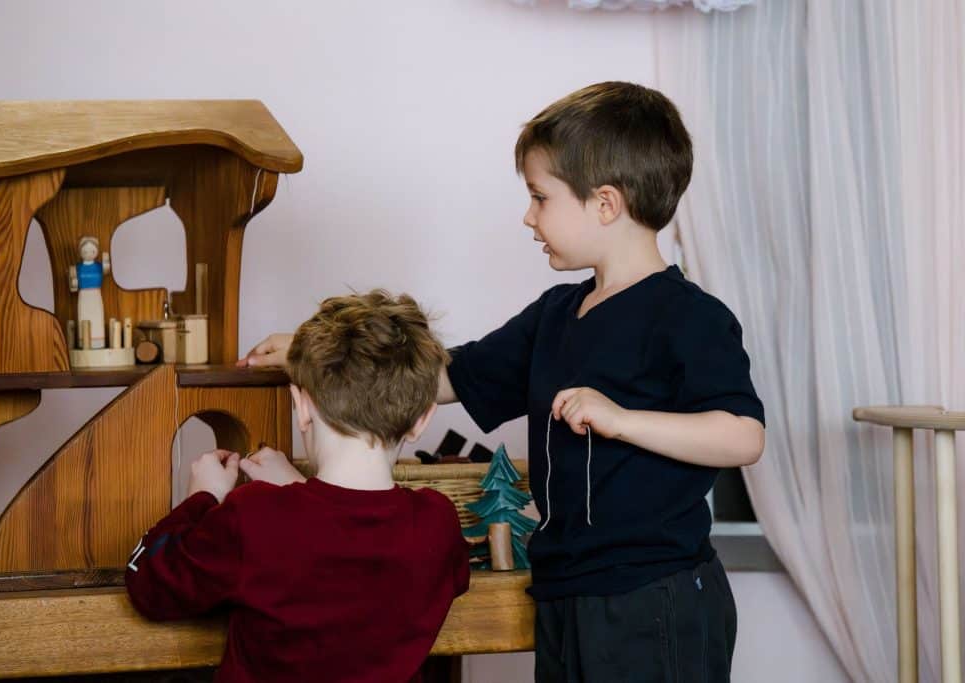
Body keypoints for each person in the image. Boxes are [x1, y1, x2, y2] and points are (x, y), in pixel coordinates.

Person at [240, 81, 766, 682]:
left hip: (656, 596)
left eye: (540, 197)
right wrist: (313, 349)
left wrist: (621, 419)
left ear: (605, 203)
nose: (527, 215)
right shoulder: (553, 316)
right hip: (568, 594)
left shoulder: (689, 316)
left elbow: (742, 436)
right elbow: (443, 379)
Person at [128, 289, 470, 682]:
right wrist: (296, 489)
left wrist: (202, 496)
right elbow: (431, 571)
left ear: (302, 406)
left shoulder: (254, 514)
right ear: (422, 419)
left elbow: (149, 585)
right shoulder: (437, 522)